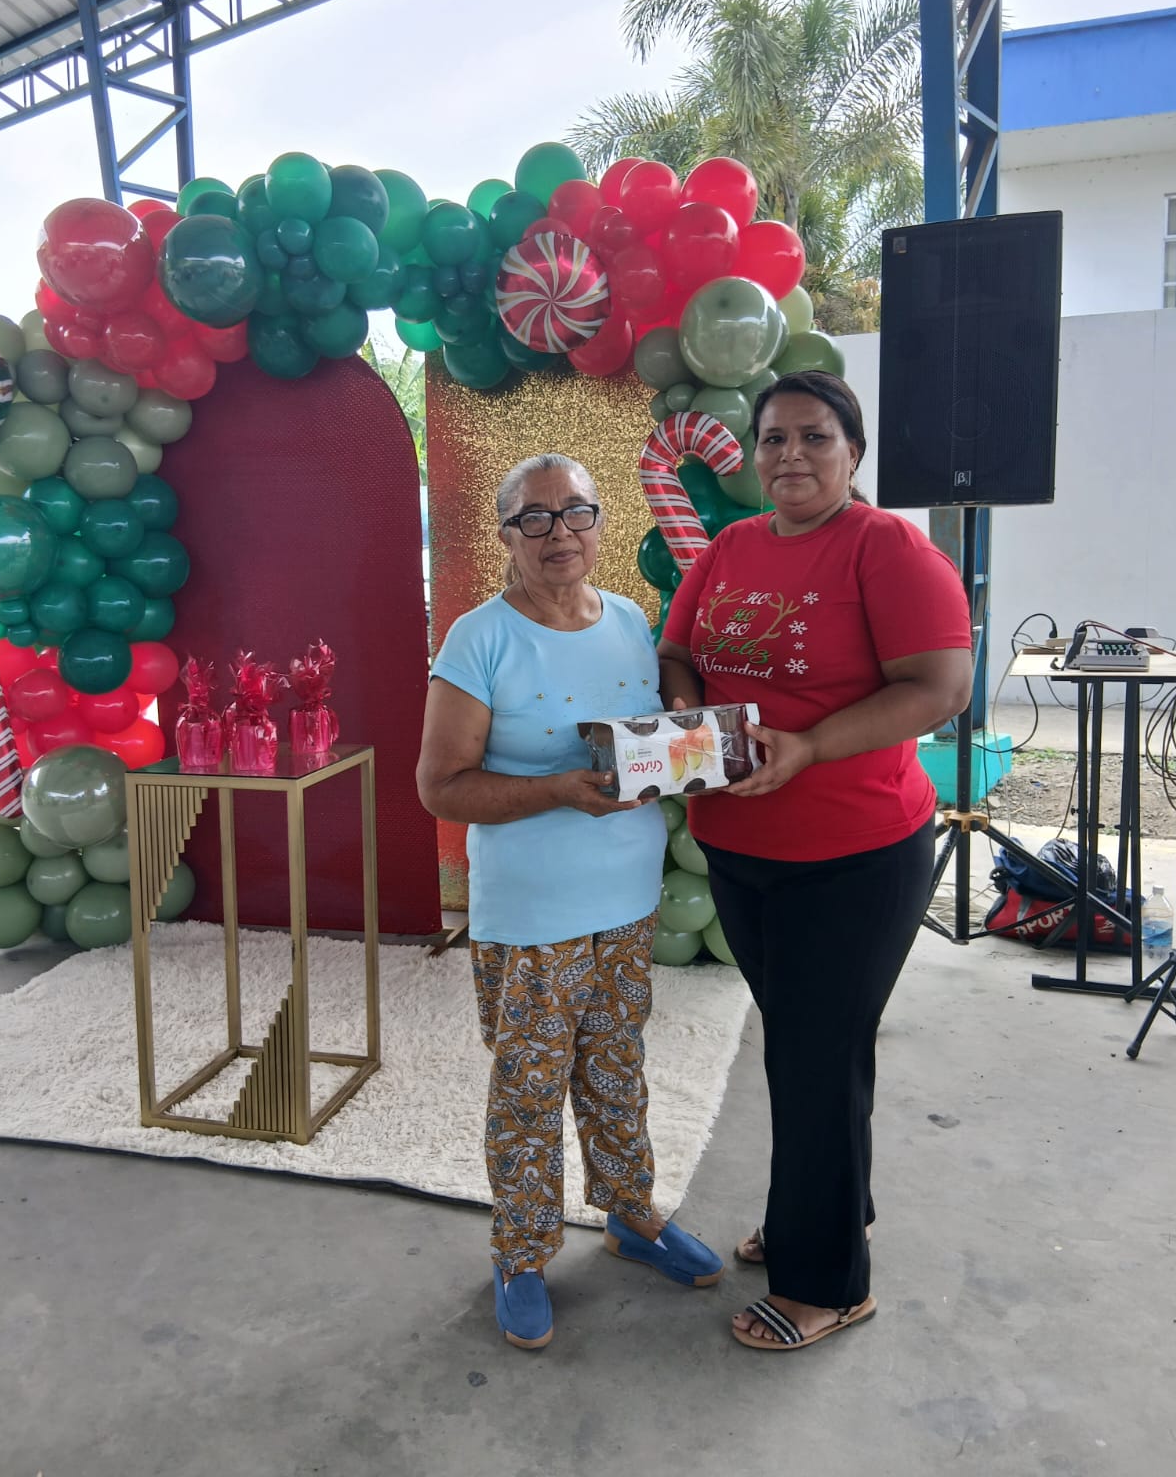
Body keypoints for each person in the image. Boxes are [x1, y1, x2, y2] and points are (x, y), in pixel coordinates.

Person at [657, 371, 973, 1353]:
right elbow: (678, 650)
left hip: (855, 855)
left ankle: (827, 1283)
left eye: (815, 436)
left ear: (853, 452)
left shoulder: (889, 550)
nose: (790, 453)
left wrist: (809, 746)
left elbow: (941, 686)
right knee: (810, 1047)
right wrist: (685, 713)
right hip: (739, 848)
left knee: (813, 1054)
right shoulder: (733, 548)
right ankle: (829, 1210)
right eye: (773, 438)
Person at [416, 452, 722, 1351]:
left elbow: (653, 743)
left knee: (617, 1065)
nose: (560, 534)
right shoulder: (479, 638)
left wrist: (697, 751)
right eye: (536, 518)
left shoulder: (628, 620)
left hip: (625, 900)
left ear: (600, 521)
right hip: (532, 915)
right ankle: (521, 1255)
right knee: (529, 1088)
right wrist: (557, 791)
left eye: (576, 512)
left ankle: (630, 1214)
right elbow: (440, 786)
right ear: (506, 535)